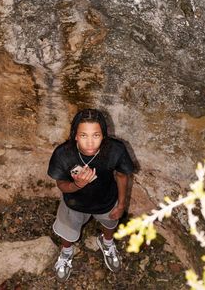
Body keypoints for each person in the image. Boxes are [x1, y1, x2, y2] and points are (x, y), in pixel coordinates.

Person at [47, 108, 134, 282]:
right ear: (75, 136)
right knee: (67, 232)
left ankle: (107, 242)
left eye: (96, 135)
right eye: (84, 136)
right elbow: (61, 185)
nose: (90, 143)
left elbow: (123, 175)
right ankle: (66, 251)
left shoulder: (115, 150)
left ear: (104, 135)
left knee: (110, 223)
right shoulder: (63, 153)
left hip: (106, 199)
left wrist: (121, 205)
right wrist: (77, 184)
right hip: (74, 203)